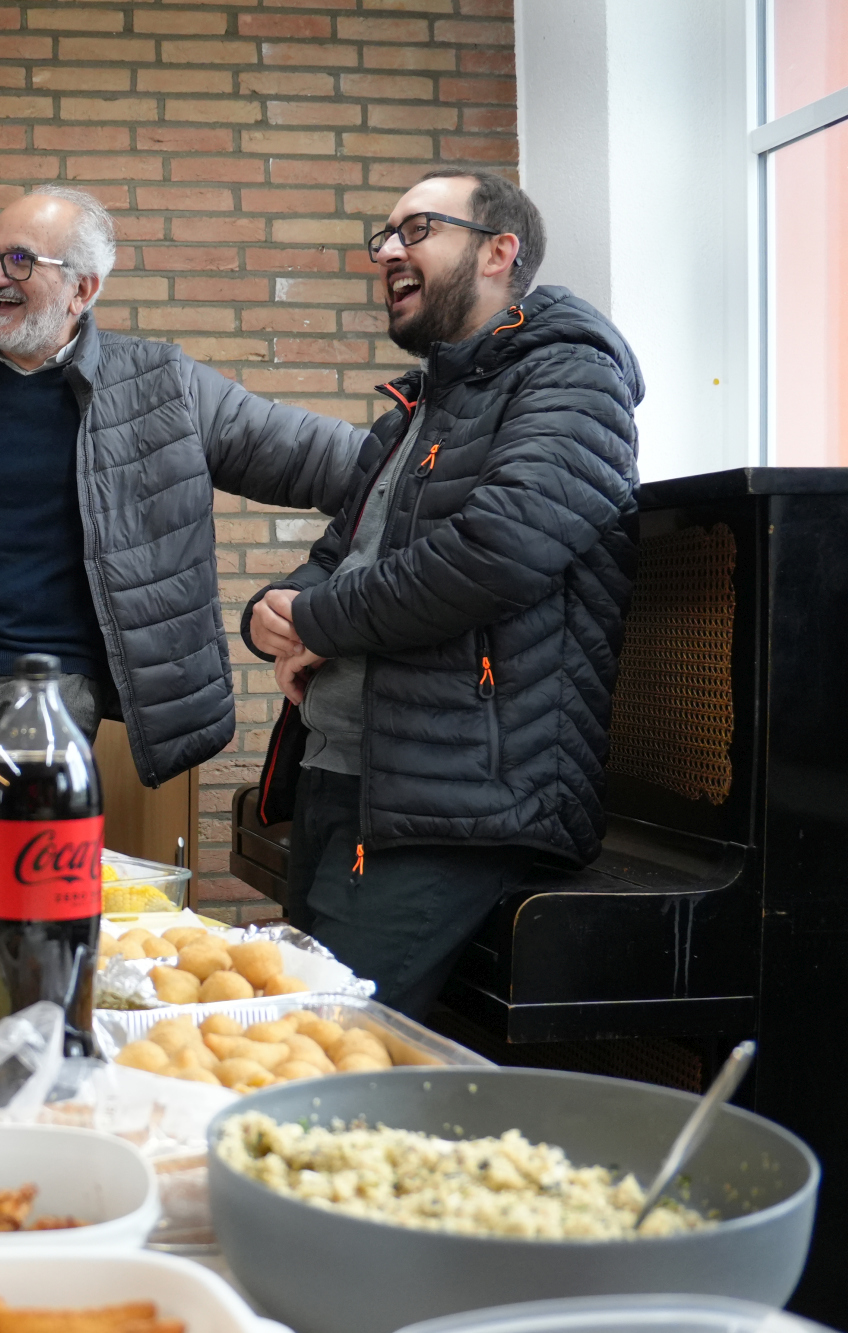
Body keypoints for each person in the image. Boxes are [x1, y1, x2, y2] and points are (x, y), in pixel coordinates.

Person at [241, 169, 642, 1018]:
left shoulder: (572, 375)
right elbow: (334, 557)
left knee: (332, 1055)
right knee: (288, 1039)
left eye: (415, 229)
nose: (387, 252)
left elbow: (498, 549)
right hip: (344, 778)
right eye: (381, 236)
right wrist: (273, 613)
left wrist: (319, 618)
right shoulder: (412, 414)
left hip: (455, 806)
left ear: (501, 251)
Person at [0, 184, 364, 782]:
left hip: (51, 693)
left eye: (21, 260)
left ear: (83, 289)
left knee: (21, 862)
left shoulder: (161, 386)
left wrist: (437, 447)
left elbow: (346, 464)